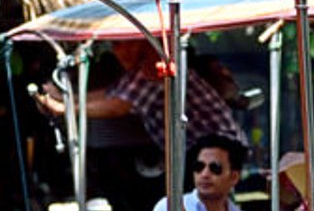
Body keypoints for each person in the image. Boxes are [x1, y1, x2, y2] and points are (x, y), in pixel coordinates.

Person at [30, 39, 238, 149]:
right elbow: (110, 95)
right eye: (114, 46)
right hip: (200, 151)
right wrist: (63, 97)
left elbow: (117, 106)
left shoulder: (157, 68)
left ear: (142, 41)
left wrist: (64, 108)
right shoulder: (139, 72)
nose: (117, 52)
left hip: (221, 149)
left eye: (122, 43)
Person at [147, 134, 267, 211]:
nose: (205, 174)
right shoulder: (171, 208)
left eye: (215, 168)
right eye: (199, 167)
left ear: (234, 177)